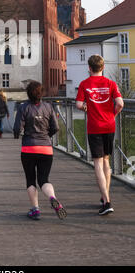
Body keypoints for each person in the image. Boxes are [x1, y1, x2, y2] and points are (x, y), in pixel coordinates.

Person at [76, 54, 124, 215]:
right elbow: (120, 103)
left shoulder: (84, 84)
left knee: (97, 163)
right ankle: (105, 197)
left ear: (89, 68)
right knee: (106, 161)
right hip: (109, 125)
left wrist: (86, 108)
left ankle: (107, 201)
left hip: (94, 127)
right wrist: (113, 115)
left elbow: (78, 104)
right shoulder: (111, 83)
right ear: (103, 67)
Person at [13, 81, 67, 221]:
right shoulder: (49, 107)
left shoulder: (23, 107)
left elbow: (17, 128)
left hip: (28, 147)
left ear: (28, 93)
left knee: (30, 179)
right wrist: (46, 137)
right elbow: (55, 128)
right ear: (41, 93)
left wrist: (17, 134)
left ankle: (35, 209)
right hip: (46, 149)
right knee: (43, 179)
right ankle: (52, 198)